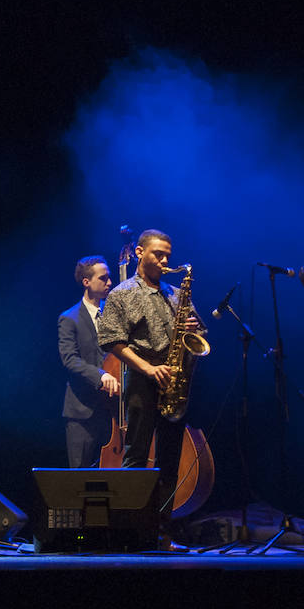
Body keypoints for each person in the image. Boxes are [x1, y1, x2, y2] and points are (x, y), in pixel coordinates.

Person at [98, 229, 203, 546]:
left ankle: (162, 531)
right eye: (159, 253)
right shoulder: (122, 293)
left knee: (170, 461)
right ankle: (131, 531)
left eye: (169, 254)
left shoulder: (175, 294)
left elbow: (198, 336)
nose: (166, 260)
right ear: (140, 253)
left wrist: (194, 327)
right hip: (143, 378)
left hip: (173, 380)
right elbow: (112, 340)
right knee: (137, 455)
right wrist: (146, 367)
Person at [58, 255, 121, 468]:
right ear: (87, 282)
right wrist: (100, 374)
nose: (110, 283)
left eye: (110, 277)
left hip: (113, 410)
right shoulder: (69, 318)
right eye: (103, 278)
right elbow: (69, 359)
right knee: (79, 477)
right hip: (82, 412)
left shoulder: (115, 316)